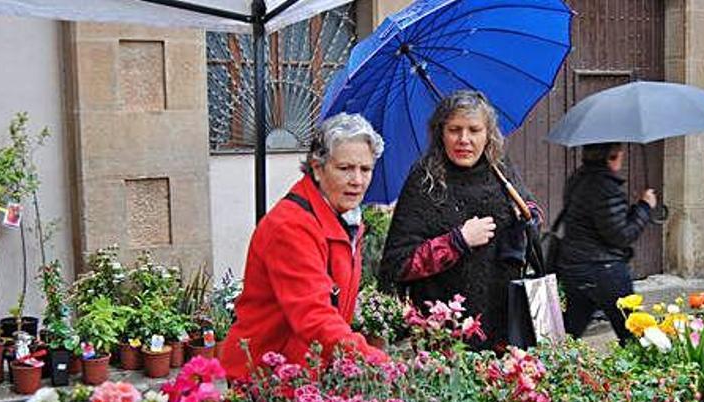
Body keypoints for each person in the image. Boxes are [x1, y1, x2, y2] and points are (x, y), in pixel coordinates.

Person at [220, 113, 389, 379]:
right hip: (266, 378)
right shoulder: (292, 226)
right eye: (345, 168)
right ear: (318, 168)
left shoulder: (345, 218)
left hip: (305, 372)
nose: (357, 180)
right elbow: (314, 316)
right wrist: (378, 363)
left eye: (365, 169)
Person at [378, 90, 541, 351]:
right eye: (455, 129)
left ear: (488, 134)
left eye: (474, 130)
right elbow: (399, 263)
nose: (464, 139)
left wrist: (528, 216)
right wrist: (457, 241)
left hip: (505, 323)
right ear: (441, 132)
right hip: (447, 335)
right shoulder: (423, 181)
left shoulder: (499, 169)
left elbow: (531, 212)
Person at [556, 142, 656, 345]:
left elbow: (598, 222)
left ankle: (546, 367)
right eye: (619, 153)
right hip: (605, 271)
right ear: (611, 157)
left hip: (575, 268)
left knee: (567, 334)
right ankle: (643, 374)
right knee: (634, 334)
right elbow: (621, 235)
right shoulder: (606, 187)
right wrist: (645, 206)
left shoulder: (578, 178)